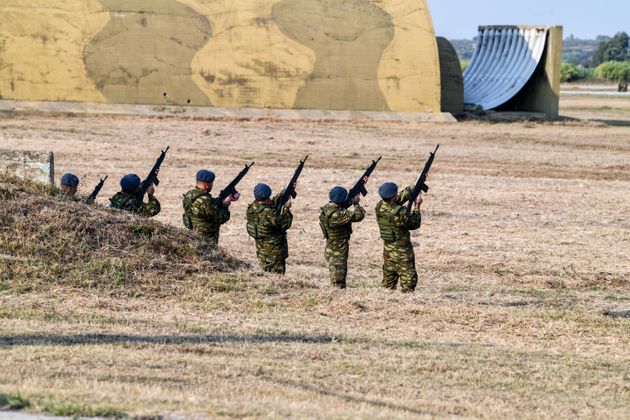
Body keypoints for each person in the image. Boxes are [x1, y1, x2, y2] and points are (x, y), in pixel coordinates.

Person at [375, 182, 422, 293]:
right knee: (408, 282)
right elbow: (414, 224)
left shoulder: (379, 206)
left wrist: (414, 186)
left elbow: (397, 200)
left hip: (388, 252)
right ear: (394, 196)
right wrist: (417, 207)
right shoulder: (400, 212)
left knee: (388, 282)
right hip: (403, 253)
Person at [319, 186, 365, 289]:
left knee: (336, 274)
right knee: (338, 280)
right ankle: (337, 297)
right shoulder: (338, 214)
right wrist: (356, 203)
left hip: (331, 246)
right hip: (338, 250)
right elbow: (359, 216)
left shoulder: (326, 208)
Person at [246, 183, 293, 274]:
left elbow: (272, 203)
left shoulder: (252, 208)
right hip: (275, 253)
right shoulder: (269, 213)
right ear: (267, 197)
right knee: (277, 277)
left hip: (262, 251)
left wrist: (285, 191)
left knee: (265, 275)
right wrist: (287, 209)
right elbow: (285, 224)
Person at [182, 169, 239, 246]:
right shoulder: (205, 201)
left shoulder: (190, 194)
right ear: (206, 184)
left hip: (193, 233)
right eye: (211, 183)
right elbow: (221, 218)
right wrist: (225, 205)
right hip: (207, 239)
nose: (212, 185)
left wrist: (221, 201)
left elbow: (206, 206)